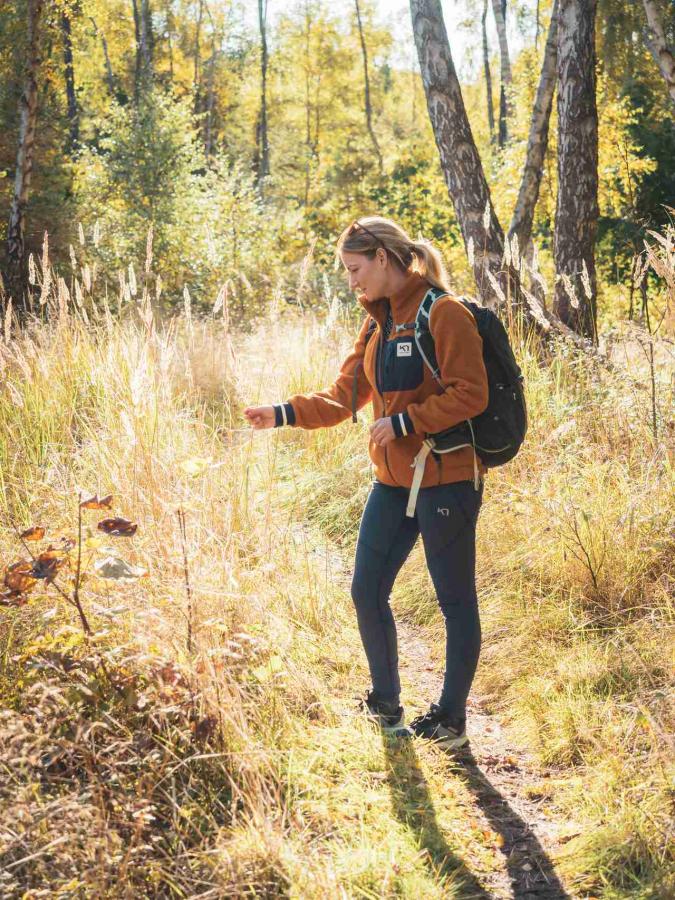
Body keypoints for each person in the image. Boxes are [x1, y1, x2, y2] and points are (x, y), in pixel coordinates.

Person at [244, 216, 489, 749]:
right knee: (366, 589)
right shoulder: (376, 324)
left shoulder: (444, 313)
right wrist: (282, 413)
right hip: (392, 482)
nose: (351, 281)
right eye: (346, 272)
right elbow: (341, 397)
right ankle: (385, 704)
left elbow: (472, 393)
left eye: (355, 269)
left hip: (446, 479)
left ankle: (450, 720)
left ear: (383, 258)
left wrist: (403, 421)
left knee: (454, 601)